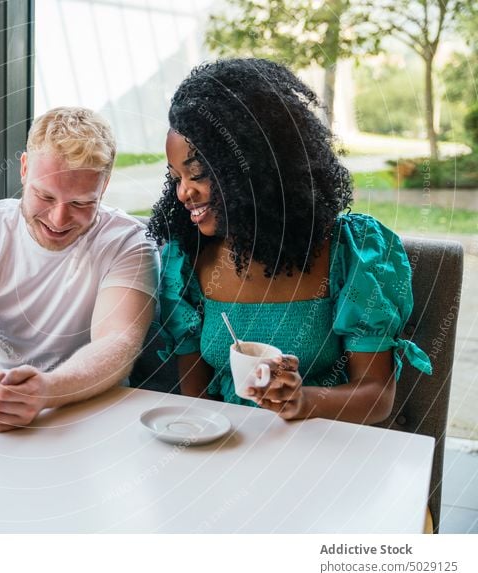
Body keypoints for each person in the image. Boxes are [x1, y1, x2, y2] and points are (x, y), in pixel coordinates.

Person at [148, 58, 431, 424]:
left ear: (256, 166)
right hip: (228, 450)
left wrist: (303, 400)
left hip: (324, 449)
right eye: (176, 178)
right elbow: (197, 401)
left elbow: (377, 396)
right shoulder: (188, 261)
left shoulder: (350, 253)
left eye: (197, 174)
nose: (184, 192)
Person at [0, 106, 158, 432]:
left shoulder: (129, 242)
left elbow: (118, 341)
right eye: (45, 196)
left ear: (104, 186)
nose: (58, 219)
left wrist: (49, 391)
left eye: (81, 203)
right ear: (25, 169)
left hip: (92, 415)